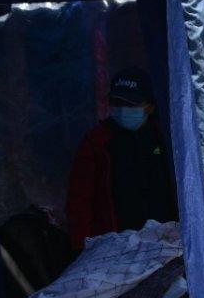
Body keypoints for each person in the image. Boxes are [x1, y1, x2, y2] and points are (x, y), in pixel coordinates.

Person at [67, 67, 177, 251]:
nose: (123, 109)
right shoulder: (98, 141)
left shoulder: (164, 136)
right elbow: (79, 200)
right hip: (116, 246)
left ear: (150, 106)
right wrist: (83, 247)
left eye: (132, 104)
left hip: (166, 240)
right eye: (117, 103)